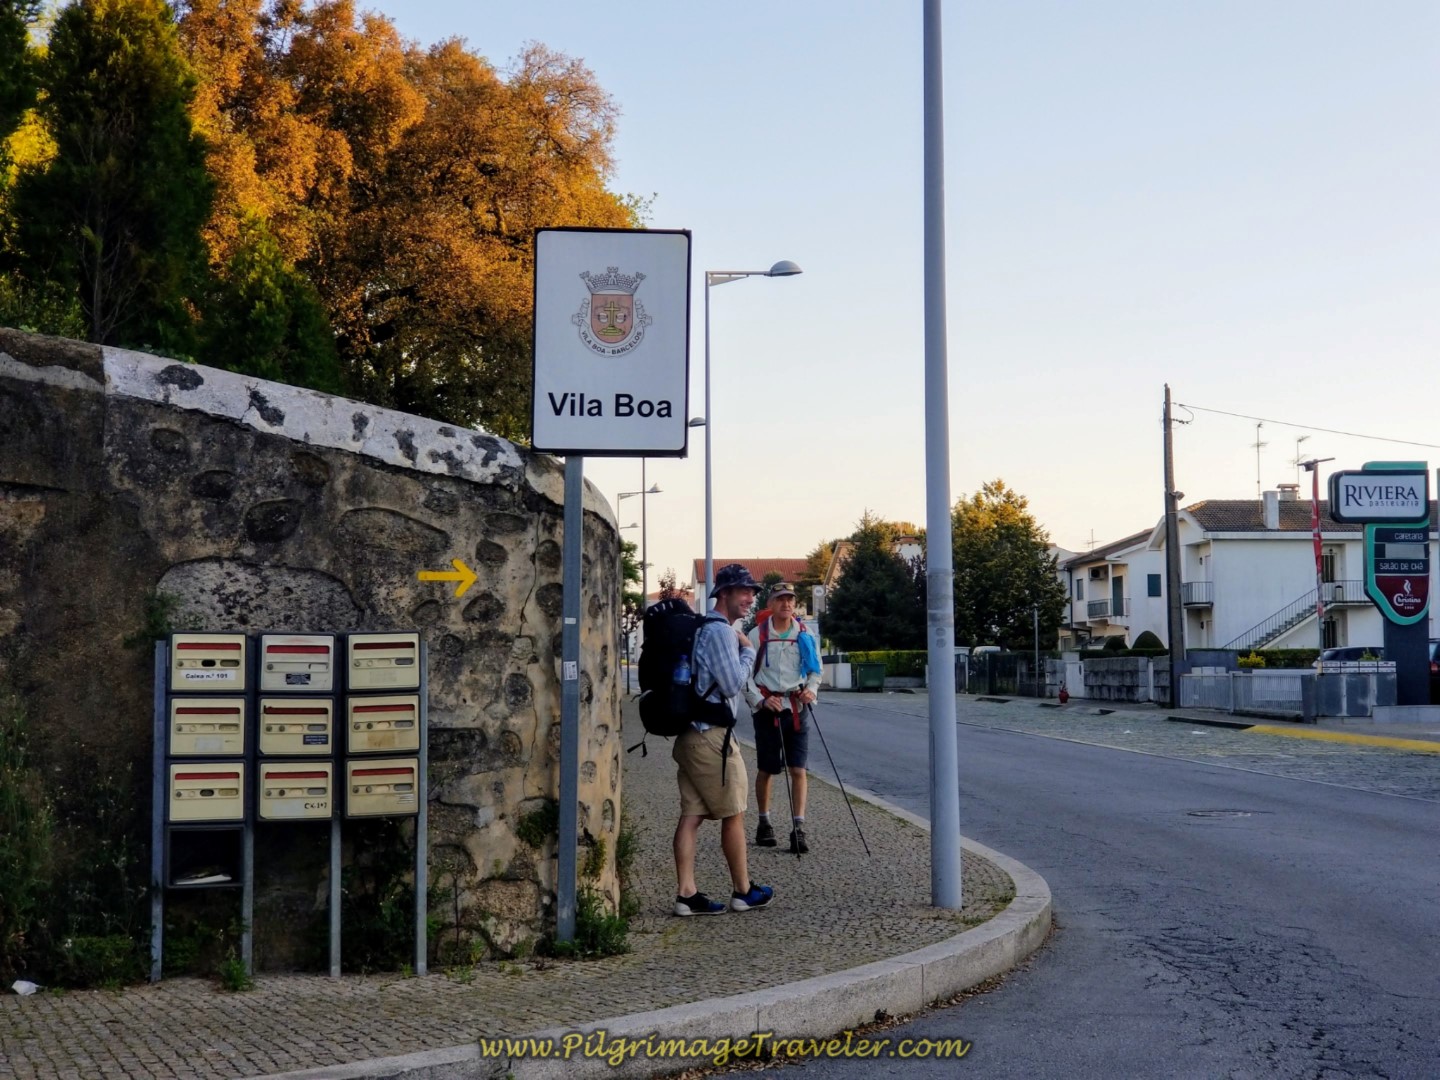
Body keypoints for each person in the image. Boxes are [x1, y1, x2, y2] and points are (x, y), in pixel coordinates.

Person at [671, 563, 775, 916]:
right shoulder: (718, 633)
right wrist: (747, 650)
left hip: (693, 735)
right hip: (711, 738)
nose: (749, 598)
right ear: (724, 594)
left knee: (692, 815)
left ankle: (687, 894)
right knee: (735, 812)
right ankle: (743, 892)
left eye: (752, 592)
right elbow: (731, 684)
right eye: (744, 591)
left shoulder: (706, 628)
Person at [743, 583, 822, 853]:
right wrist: (761, 700)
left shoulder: (804, 633)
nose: (786, 604)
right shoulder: (756, 635)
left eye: (790, 599)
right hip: (767, 710)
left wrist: (810, 691)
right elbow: (745, 676)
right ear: (771, 604)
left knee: (798, 770)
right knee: (767, 769)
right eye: (780, 600)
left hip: (797, 708)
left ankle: (798, 828)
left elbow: (815, 669)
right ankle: (764, 823)